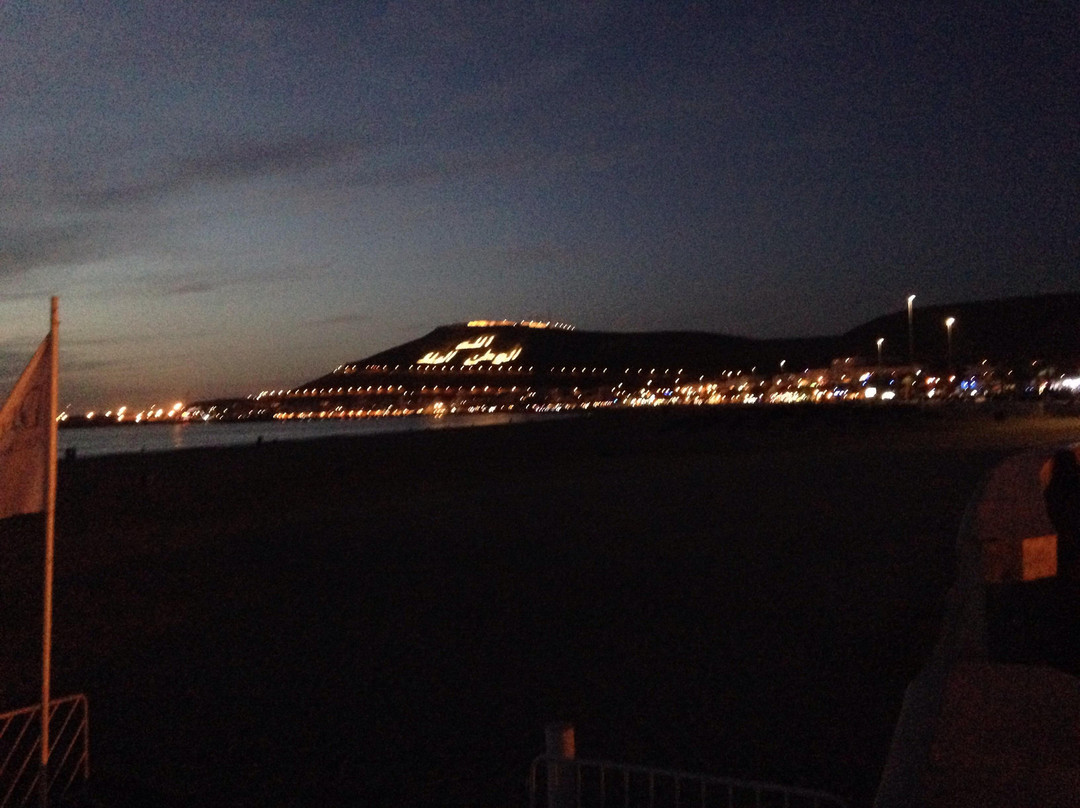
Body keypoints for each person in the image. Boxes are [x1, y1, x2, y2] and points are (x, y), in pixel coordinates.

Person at [1045, 449, 1080, 581]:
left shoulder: (1055, 485)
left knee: (1069, 561)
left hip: (1065, 530)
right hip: (1071, 528)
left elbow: (1052, 508)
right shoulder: (1075, 480)